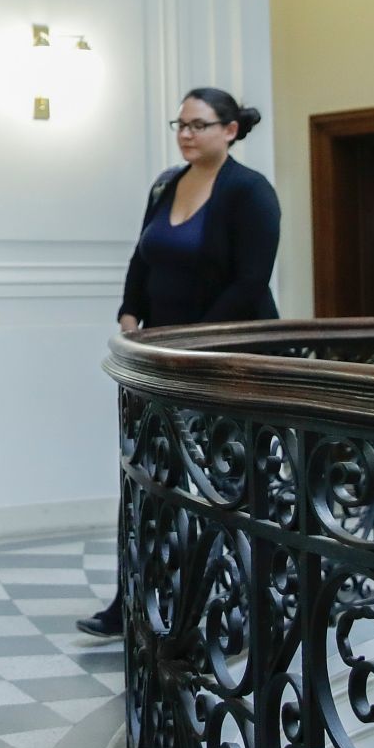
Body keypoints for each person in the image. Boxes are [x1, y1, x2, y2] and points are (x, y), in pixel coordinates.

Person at [76, 87, 280, 638]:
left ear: (230, 130)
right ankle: (132, 604)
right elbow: (142, 257)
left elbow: (250, 283)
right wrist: (129, 314)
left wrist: (194, 342)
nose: (186, 134)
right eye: (180, 124)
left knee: (219, 492)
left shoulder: (250, 193)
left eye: (199, 125)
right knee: (147, 483)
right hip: (162, 363)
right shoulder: (167, 184)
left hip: (223, 367)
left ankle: (228, 611)